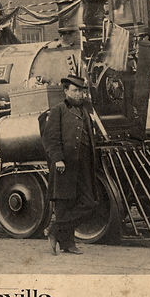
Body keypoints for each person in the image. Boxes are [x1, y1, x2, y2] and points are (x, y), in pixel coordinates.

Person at [42, 75, 99, 255]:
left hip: (83, 164)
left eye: (81, 90)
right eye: (74, 90)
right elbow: (51, 137)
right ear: (66, 91)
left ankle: (54, 230)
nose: (79, 94)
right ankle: (68, 244)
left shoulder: (84, 112)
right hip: (64, 164)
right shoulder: (58, 110)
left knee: (89, 203)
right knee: (64, 205)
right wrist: (57, 158)